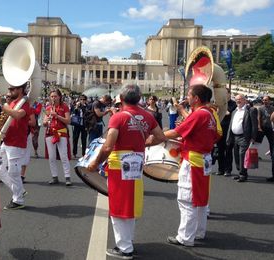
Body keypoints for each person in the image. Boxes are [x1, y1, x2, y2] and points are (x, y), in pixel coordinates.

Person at [88, 84, 166, 259]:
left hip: (119, 165)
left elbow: (108, 146)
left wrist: (96, 163)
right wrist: (143, 143)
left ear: (121, 99)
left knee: (117, 205)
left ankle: (124, 248)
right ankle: (128, 240)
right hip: (137, 163)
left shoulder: (118, 117)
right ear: (139, 99)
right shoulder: (147, 115)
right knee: (130, 203)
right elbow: (160, 137)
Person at [165, 85, 222, 247]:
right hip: (204, 159)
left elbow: (177, 132)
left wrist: (156, 137)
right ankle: (198, 232)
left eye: (189, 95)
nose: (187, 97)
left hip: (193, 160)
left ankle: (185, 237)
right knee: (200, 198)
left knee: (186, 199)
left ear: (196, 98)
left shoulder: (199, 114)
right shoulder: (210, 114)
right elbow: (216, 135)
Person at [0, 83, 30, 209]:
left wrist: (2, 105)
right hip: (7, 141)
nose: (9, 91)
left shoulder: (24, 103)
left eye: (12, 89)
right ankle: (19, 190)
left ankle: (18, 200)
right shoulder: (12, 103)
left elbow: (17, 115)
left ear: (20, 89)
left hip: (16, 142)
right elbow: (8, 117)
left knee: (13, 172)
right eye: (9, 88)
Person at [43, 89, 72, 186]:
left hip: (61, 133)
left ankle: (67, 177)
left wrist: (57, 116)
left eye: (55, 96)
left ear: (59, 97)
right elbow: (43, 123)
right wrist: (46, 120)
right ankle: (54, 176)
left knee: (63, 156)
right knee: (52, 157)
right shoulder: (48, 108)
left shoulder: (64, 107)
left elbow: (68, 121)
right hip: (50, 133)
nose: (53, 98)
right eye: (52, 96)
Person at [227, 94, 258, 183]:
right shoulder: (234, 111)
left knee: (242, 155)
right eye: (236, 99)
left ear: (244, 100)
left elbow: (254, 125)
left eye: (240, 99)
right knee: (236, 155)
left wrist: (253, 137)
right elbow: (231, 124)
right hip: (235, 137)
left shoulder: (250, 110)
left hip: (244, 137)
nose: (238, 101)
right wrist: (229, 136)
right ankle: (241, 171)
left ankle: (243, 174)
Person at [216, 89, 237, 176]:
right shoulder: (220, 104)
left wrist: (220, 109)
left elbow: (228, 113)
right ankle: (220, 169)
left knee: (228, 150)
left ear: (229, 94)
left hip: (229, 130)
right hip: (220, 129)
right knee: (220, 150)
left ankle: (228, 170)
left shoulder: (233, 104)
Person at [257, 96, 274, 182]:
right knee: (256, 143)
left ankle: (272, 153)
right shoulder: (260, 108)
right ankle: (254, 155)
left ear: (269, 101)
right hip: (262, 127)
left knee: (272, 144)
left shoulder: (272, 108)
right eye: (263, 100)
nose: (264, 101)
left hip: (270, 129)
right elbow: (259, 117)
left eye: (266, 100)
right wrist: (259, 127)